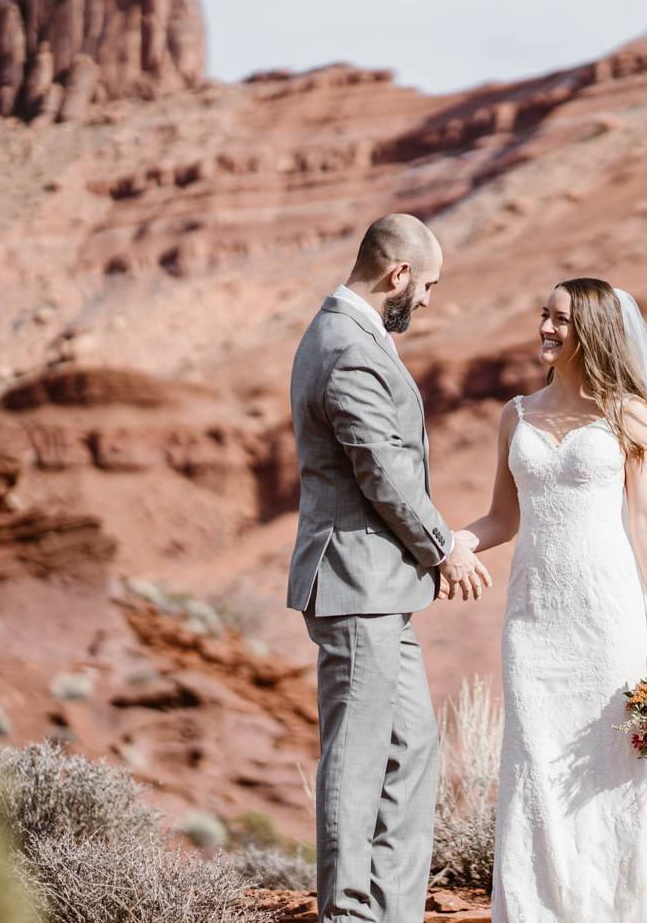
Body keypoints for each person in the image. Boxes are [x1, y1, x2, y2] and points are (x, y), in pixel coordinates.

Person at [458, 277, 647, 921]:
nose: (546, 329)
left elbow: (646, 524)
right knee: (534, 768)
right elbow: (502, 517)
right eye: (543, 315)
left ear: (594, 331)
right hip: (533, 620)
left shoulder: (629, 414)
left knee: (614, 769)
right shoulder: (515, 414)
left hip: (607, 617)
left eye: (561, 320)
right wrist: (456, 543)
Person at [284, 212, 490, 923]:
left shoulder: (345, 333)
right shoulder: (347, 345)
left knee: (411, 748)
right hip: (355, 583)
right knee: (359, 759)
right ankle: (350, 915)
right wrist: (445, 547)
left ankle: (390, 912)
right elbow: (383, 470)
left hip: (375, 587)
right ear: (397, 274)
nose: (428, 300)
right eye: (426, 284)